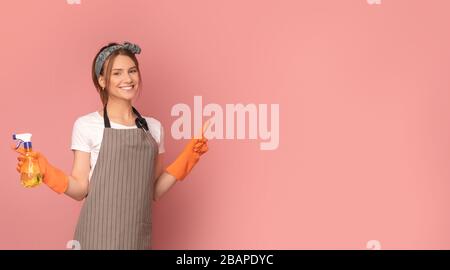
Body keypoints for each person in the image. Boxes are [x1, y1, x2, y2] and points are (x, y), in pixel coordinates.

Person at [13, 41, 209, 250]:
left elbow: (153, 190)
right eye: (117, 73)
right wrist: (46, 172)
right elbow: (80, 189)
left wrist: (188, 158)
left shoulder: (154, 128)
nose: (127, 79)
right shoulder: (86, 125)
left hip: (136, 239)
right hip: (94, 238)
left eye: (132, 71)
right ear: (102, 81)